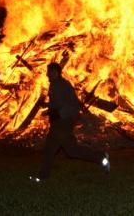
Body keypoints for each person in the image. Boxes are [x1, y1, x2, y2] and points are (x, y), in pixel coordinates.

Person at [27, 51, 110, 183]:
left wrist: (61, 114)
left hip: (62, 123)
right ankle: (101, 157)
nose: (47, 74)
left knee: (50, 149)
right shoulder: (54, 84)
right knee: (72, 151)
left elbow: (74, 104)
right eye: (48, 72)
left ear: (55, 72)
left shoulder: (63, 85)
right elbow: (58, 102)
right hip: (58, 122)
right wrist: (48, 108)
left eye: (49, 72)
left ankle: (43, 176)